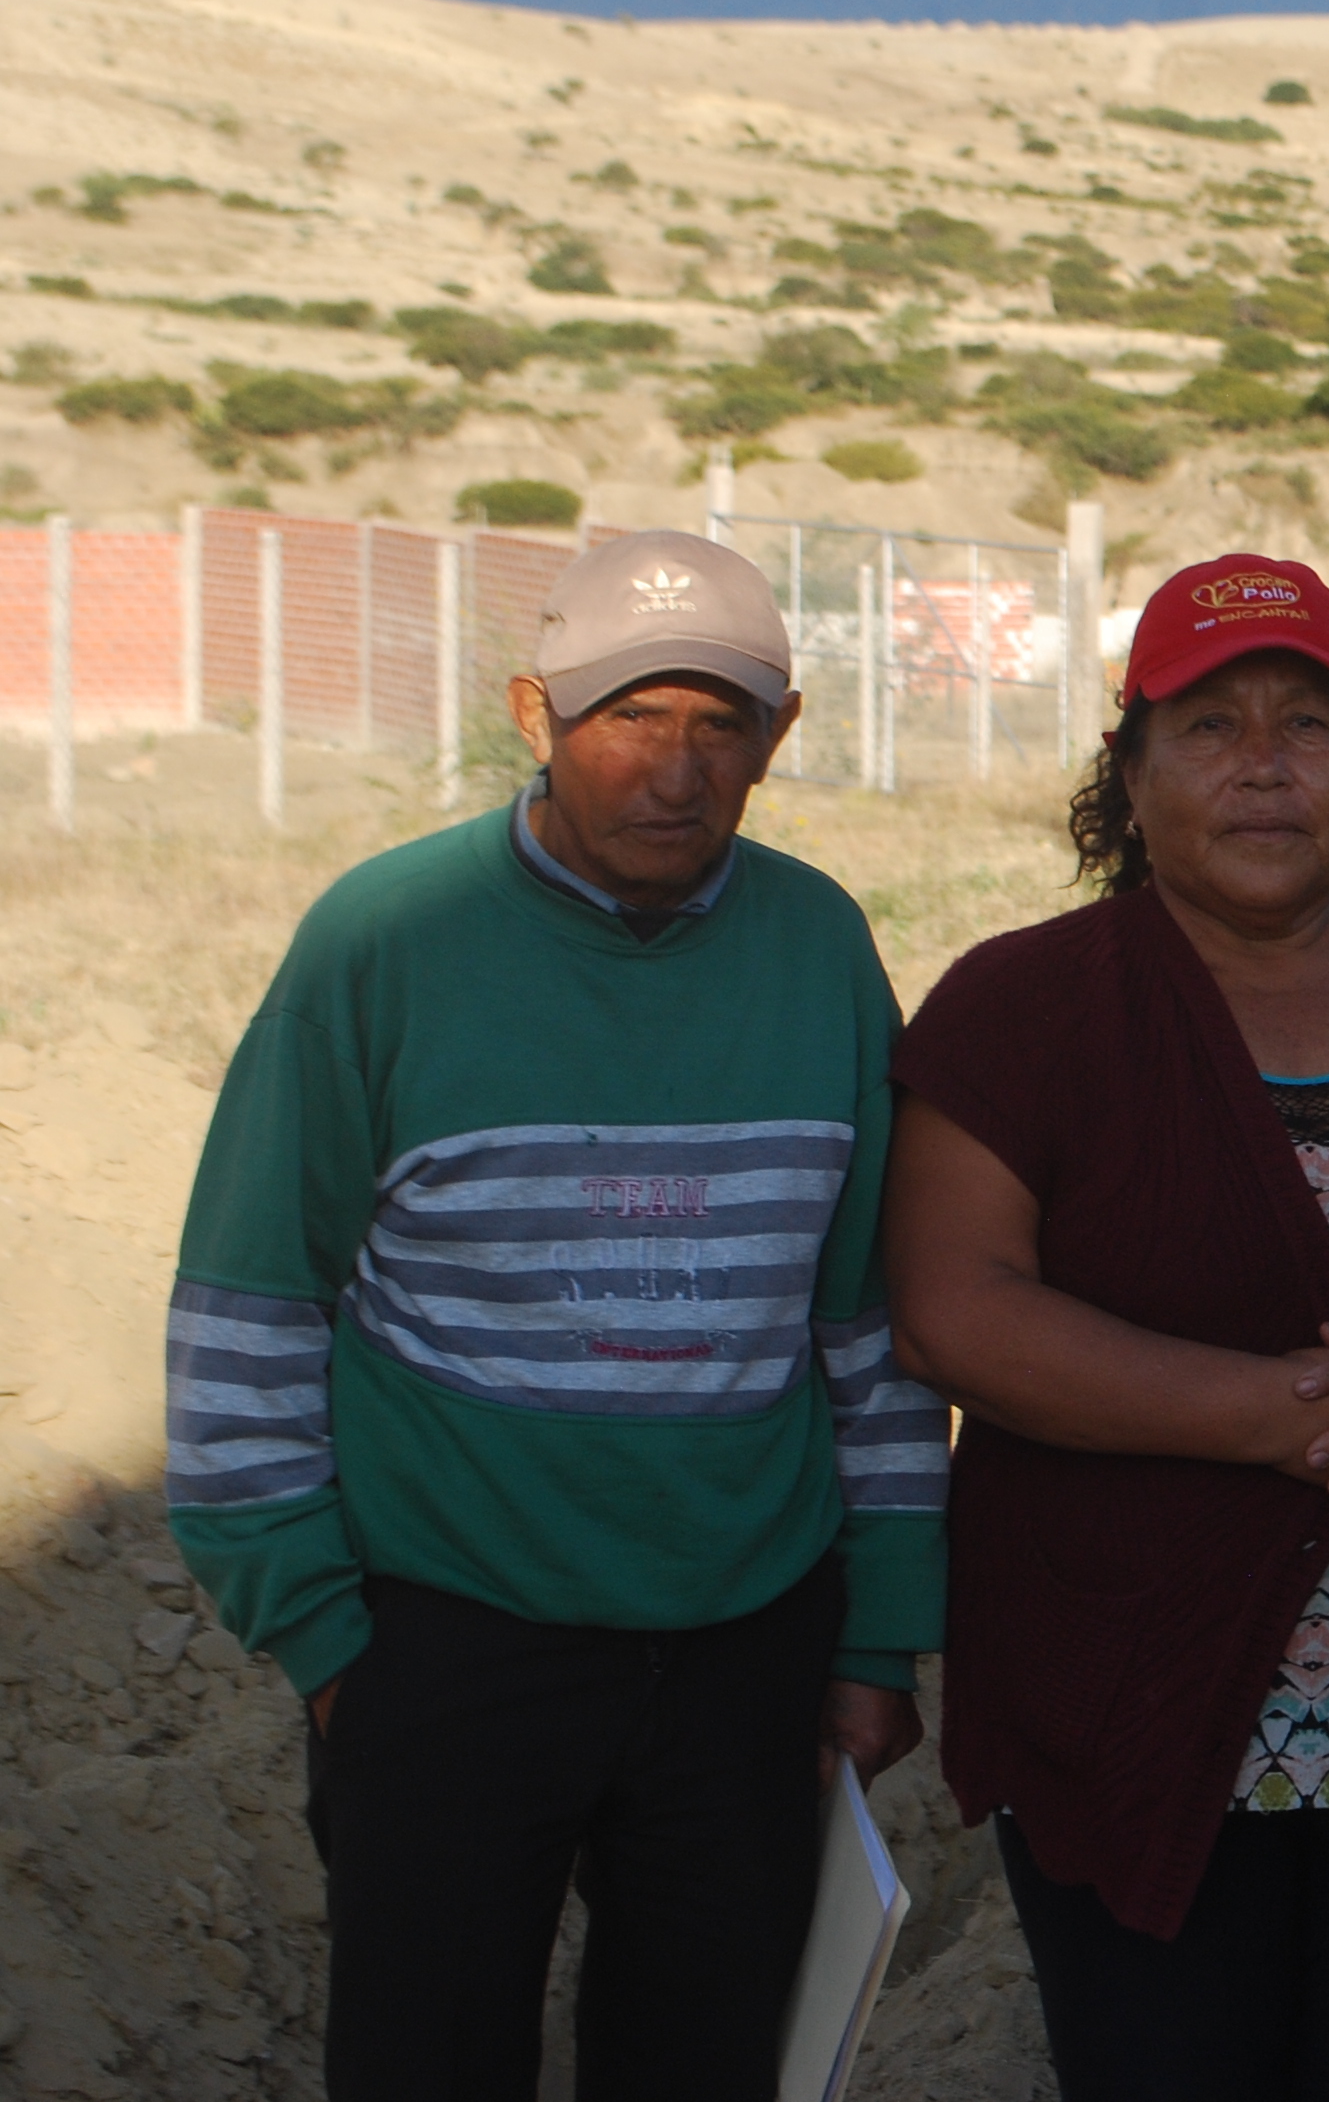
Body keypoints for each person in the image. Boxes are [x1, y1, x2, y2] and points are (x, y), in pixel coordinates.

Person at [164, 530, 942, 2101]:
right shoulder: (381, 944)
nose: (677, 768)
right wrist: (330, 1649)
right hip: (448, 1646)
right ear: (533, 714)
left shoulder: (821, 950)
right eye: (629, 717)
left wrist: (876, 1635)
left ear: (780, 735)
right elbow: (247, 1314)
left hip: (744, 1651)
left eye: (721, 724)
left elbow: (864, 1331)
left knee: (705, 2066)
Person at [881, 554, 1329, 2102]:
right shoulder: (1025, 1010)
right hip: (1131, 1712)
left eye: (1308, 723)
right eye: (1209, 727)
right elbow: (952, 1312)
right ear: (1130, 774)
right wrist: (1284, 1413)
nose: (1265, 764)